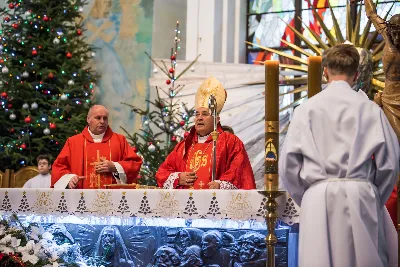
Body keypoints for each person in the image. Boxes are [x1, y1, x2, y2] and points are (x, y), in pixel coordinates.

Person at [280, 44, 399, 267]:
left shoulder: (305, 110)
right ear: (356, 74)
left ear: (325, 71)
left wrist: (308, 195)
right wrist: (373, 194)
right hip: (362, 196)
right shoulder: (370, 109)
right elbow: (390, 163)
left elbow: (288, 166)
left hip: (317, 199)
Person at [156, 77, 255, 190]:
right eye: (197, 114)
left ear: (216, 119)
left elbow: (240, 172)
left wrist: (221, 185)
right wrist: (179, 178)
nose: (199, 118)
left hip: (217, 204)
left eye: (204, 114)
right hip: (186, 204)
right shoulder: (184, 146)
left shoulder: (230, 142)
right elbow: (162, 172)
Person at [363, 0, 400, 229]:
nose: (395, 35)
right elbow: (371, 12)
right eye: (393, 30)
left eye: (399, 32)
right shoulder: (386, 35)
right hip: (387, 99)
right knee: (391, 150)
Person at [51, 105, 142, 189]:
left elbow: (134, 164)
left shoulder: (119, 140)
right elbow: (59, 167)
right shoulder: (73, 142)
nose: (102, 121)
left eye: (105, 118)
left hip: (113, 198)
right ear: (88, 119)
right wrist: (69, 179)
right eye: (98, 118)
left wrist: (115, 166)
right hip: (81, 198)